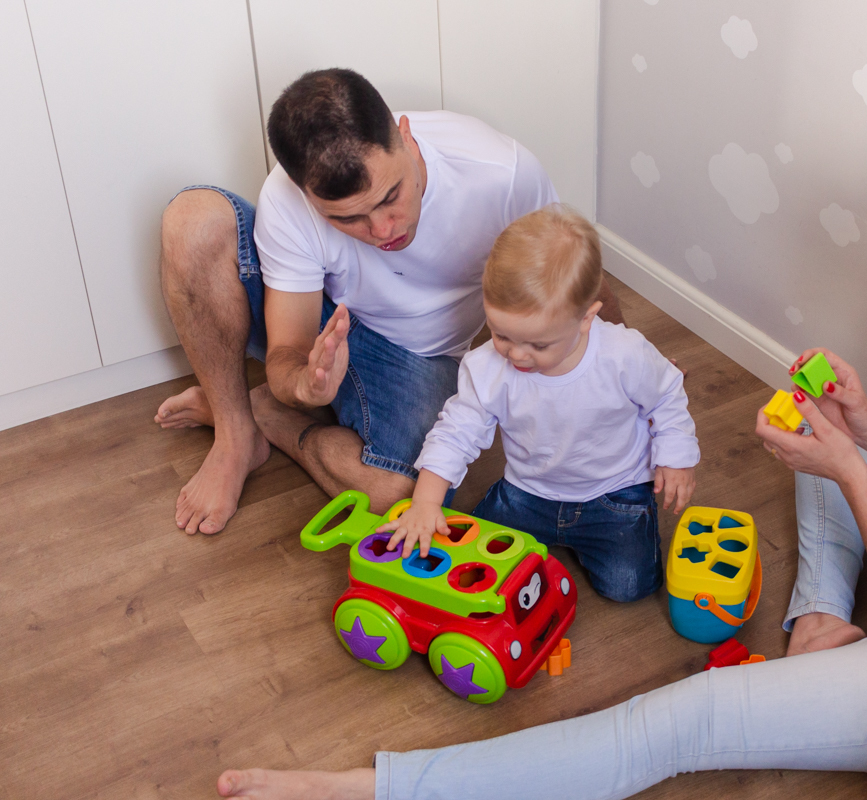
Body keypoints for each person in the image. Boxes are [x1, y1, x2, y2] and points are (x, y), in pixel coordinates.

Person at [215, 164, 867, 800]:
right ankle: (817, 622)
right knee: (816, 453)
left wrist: (846, 463)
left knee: (680, 721)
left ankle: (378, 785)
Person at [154, 68, 624, 535]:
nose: (383, 231)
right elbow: (287, 351)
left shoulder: (499, 172)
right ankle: (236, 439)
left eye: (390, 196)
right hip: (322, 317)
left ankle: (260, 416)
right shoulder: (287, 200)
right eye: (348, 218)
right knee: (192, 221)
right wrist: (303, 383)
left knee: (400, 495)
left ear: (404, 135)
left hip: (420, 354)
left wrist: (624, 358)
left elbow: (569, 273)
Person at [378, 205, 699, 603]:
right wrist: (426, 502)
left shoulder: (624, 354)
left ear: (586, 318)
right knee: (469, 566)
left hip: (613, 495)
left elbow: (667, 394)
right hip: (526, 495)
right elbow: (456, 431)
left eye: (538, 343)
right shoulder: (486, 368)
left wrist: (676, 457)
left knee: (628, 587)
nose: (517, 355)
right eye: (501, 335)